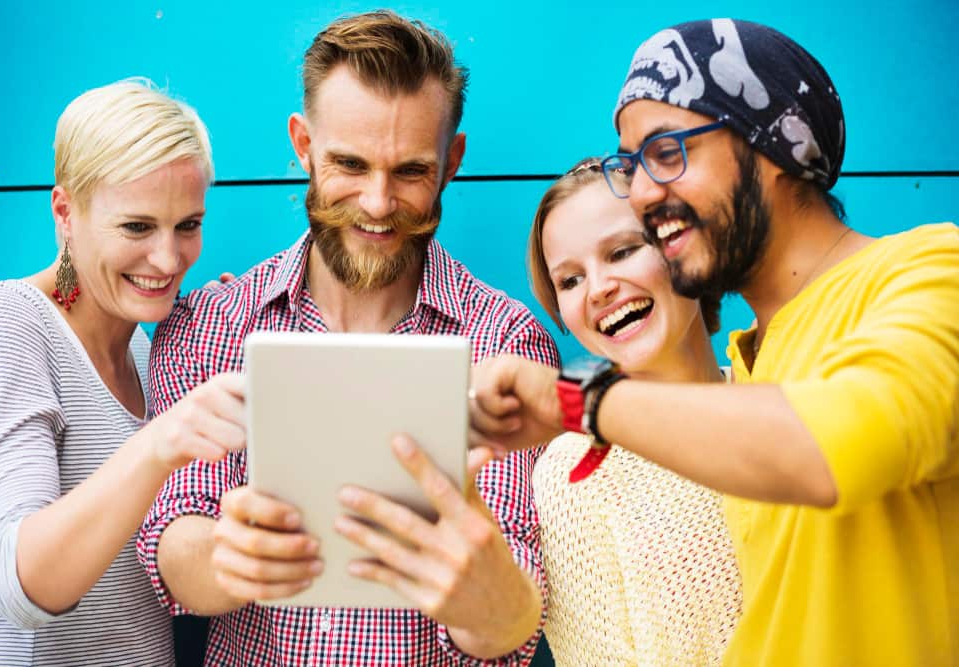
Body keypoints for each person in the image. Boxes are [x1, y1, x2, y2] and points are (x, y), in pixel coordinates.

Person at [470, 18, 958, 666]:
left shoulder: (931, 270)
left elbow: (835, 443)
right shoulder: (753, 360)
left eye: (667, 153)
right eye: (631, 165)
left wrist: (574, 401)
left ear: (775, 145)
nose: (643, 192)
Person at [136, 11, 559, 666]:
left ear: (452, 160)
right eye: (349, 163)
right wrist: (230, 555)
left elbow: (507, 630)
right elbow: (171, 541)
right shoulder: (211, 324)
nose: (378, 202)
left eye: (411, 170)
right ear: (304, 145)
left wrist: (484, 587)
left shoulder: (505, 343)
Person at [0, 80, 246, 665]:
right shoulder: (5, 322)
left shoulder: (154, 353)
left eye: (187, 225)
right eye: (137, 227)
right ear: (65, 212)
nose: (168, 260)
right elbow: (21, 584)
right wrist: (162, 442)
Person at [526, 158, 740, 666]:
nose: (598, 288)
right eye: (570, 280)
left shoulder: (778, 393)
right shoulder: (573, 472)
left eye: (622, 252)